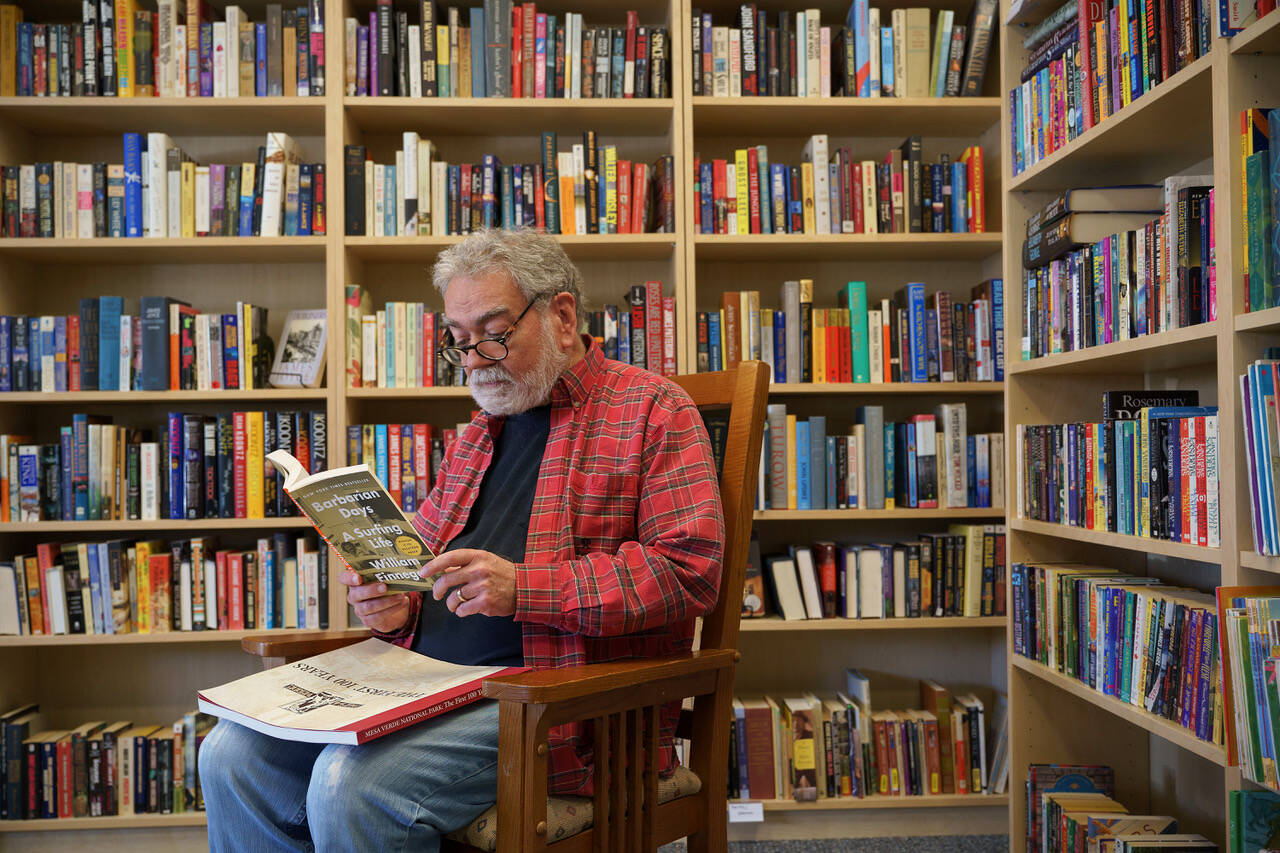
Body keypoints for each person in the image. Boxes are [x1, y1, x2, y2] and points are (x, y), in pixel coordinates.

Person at [198, 228, 725, 852]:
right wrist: (394, 607)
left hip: (554, 706)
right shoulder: (478, 435)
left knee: (352, 785)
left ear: (560, 315)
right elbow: (421, 574)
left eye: (493, 334)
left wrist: (522, 588)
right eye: (459, 339)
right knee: (231, 755)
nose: (473, 359)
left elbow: (689, 572)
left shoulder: (653, 411)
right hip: (421, 684)